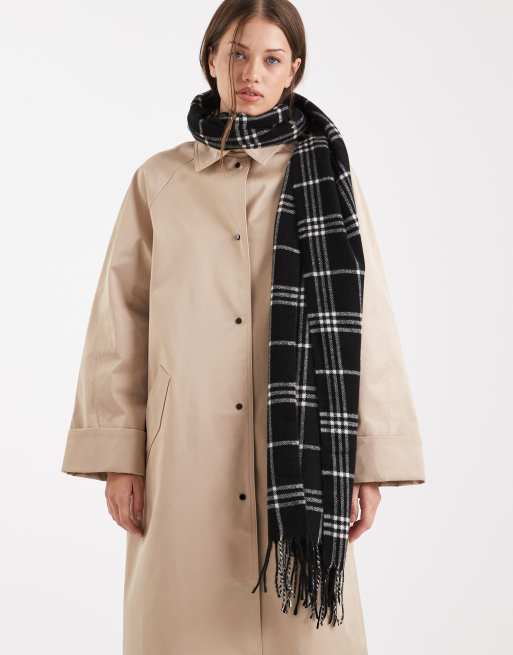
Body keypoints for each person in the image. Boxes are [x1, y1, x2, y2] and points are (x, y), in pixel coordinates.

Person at [61, 1, 426, 653]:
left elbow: (367, 322)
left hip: (306, 456)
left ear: (294, 70)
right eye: (236, 53)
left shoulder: (328, 183)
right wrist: (118, 456)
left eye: (270, 59)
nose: (251, 72)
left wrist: (367, 463)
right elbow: (120, 321)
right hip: (184, 455)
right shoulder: (160, 182)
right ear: (210, 59)